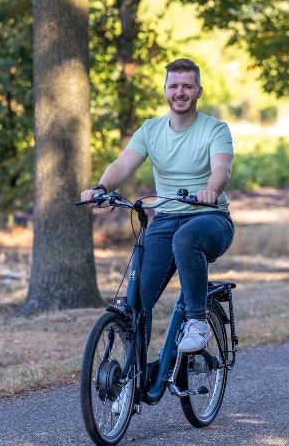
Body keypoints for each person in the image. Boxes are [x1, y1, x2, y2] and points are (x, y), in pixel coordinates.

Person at [81, 58, 234, 354]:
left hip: (210, 218)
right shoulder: (151, 130)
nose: (180, 92)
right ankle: (132, 379)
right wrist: (101, 188)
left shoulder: (215, 129)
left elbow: (222, 169)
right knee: (136, 301)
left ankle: (197, 321)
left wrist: (210, 191)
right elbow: (124, 163)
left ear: (198, 91)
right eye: (174, 86)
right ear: (164, 90)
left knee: (186, 238)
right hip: (165, 219)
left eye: (187, 86)